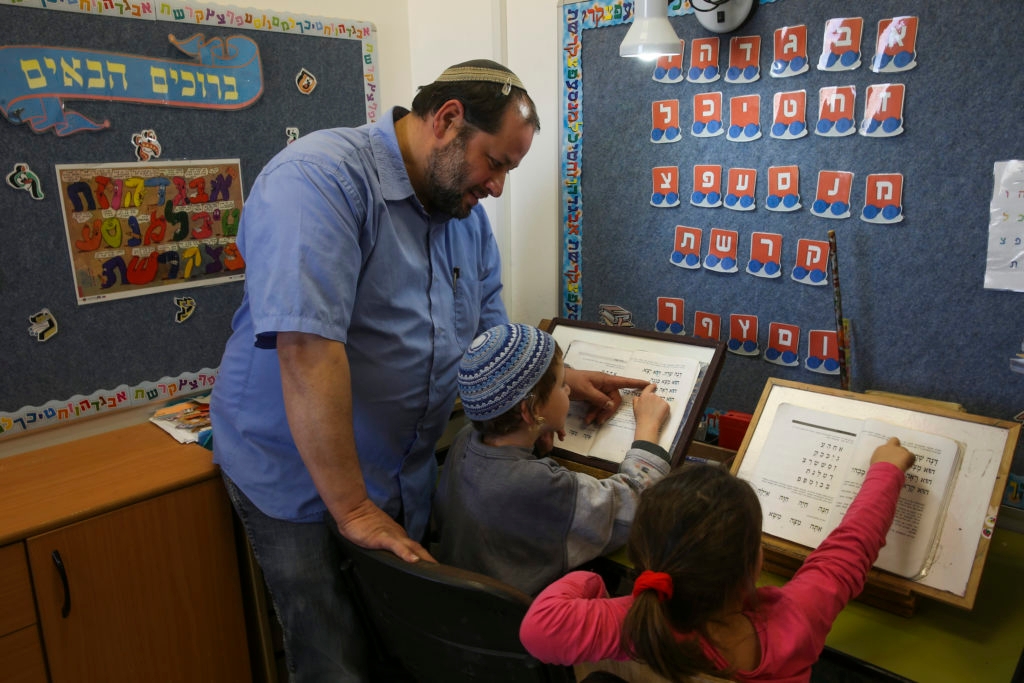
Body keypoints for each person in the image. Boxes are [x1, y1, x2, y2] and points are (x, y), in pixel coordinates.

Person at [209, 59, 651, 682]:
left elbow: (491, 337)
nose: (498, 187)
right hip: (295, 474)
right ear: (447, 121)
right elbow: (307, 354)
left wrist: (559, 376)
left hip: (395, 471)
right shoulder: (319, 179)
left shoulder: (462, 217)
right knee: (331, 652)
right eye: (495, 163)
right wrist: (356, 510)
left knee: (393, 638)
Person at [519, 438, 916, 683]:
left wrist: (593, 585)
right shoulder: (795, 622)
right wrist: (886, 469)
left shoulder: (630, 622)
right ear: (754, 565)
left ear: (644, 559)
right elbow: (847, 554)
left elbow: (537, 630)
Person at [432, 323, 672, 595]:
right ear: (531, 411)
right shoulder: (538, 484)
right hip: (523, 623)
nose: (569, 391)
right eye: (561, 384)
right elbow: (635, 506)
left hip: (466, 607)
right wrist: (648, 428)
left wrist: (534, 438)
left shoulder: (465, 439)